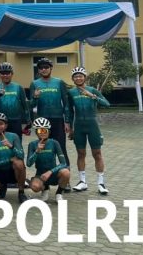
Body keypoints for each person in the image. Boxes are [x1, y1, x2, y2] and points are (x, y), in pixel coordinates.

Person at [67, 67, 111, 195]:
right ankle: (82, 182)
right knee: (81, 154)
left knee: (97, 154)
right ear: (73, 79)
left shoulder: (92, 90)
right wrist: (70, 127)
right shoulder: (71, 92)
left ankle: (101, 183)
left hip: (92, 125)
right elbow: (69, 111)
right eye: (75, 76)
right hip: (79, 126)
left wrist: (93, 96)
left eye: (80, 76)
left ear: (85, 77)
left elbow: (107, 104)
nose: (78, 78)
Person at [29, 57, 71, 169]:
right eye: (41, 68)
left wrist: (67, 121)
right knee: (44, 148)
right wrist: (35, 97)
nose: (44, 69)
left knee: (61, 147)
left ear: (51, 68)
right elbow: (31, 105)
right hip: (42, 122)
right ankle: (44, 175)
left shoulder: (59, 82)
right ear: (38, 70)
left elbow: (66, 104)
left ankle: (65, 174)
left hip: (58, 120)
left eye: (46, 67)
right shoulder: (34, 83)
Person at [0, 112, 28, 203]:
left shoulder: (14, 136)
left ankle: (21, 192)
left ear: (6, 125)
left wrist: (11, 146)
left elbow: (21, 155)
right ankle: (2, 185)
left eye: (1, 124)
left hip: (13, 170)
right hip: (0, 170)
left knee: (19, 163)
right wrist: (9, 160)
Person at [26, 117, 70, 202]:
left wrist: (50, 172)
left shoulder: (54, 143)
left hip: (53, 174)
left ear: (49, 132)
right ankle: (45, 190)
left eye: (45, 130)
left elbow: (63, 163)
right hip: (40, 175)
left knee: (66, 172)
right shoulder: (32, 144)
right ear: (36, 132)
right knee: (34, 186)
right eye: (40, 131)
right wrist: (36, 152)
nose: (43, 133)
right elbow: (28, 164)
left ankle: (59, 194)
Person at [0, 62, 30, 145]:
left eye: (7, 73)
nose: (5, 75)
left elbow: (25, 105)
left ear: (12, 74)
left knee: (17, 143)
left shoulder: (18, 87)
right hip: (1, 121)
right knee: (2, 144)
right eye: (3, 73)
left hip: (16, 120)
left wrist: (28, 120)